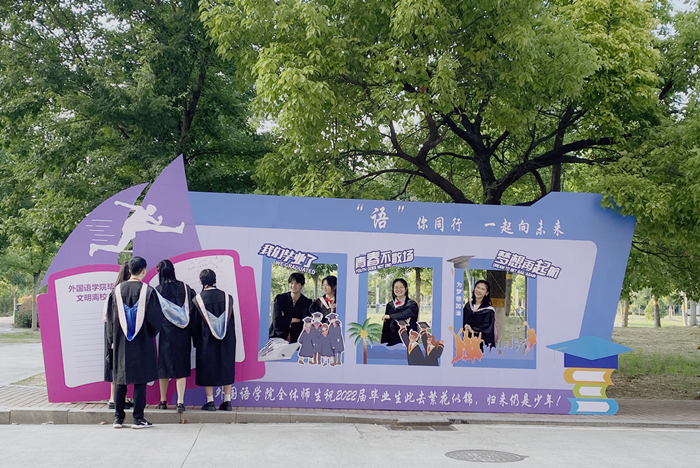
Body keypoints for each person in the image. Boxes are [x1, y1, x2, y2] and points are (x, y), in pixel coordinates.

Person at [105, 256, 162, 429]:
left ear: (129, 270)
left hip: (120, 343)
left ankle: (118, 418)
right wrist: (150, 333)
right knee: (140, 381)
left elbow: (110, 320)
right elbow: (155, 321)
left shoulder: (115, 291)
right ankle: (138, 418)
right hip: (142, 342)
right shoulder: (148, 291)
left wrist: (111, 341)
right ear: (144, 270)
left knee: (120, 380)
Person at [154, 259, 196, 413]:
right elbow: (193, 309)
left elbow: (154, 313)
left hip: (166, 332)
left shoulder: (157, 290)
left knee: (164, 366)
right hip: (183, 333)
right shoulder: (185, 288)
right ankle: (180, 402)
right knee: (181, 366)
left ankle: (163, 401)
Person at [192, 269, 236, 411]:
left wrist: (196, 342)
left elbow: (194, 324)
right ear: (215, 280)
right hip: (227, 338)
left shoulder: (198, 300)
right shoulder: (227, 298)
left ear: (202, 281)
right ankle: (227, 401)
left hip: (206, 339)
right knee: (226, 364)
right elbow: (232, 321)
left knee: (207, 366)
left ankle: (210, 402)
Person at [103, 261, 132, 410]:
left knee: (115, 364)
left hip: (111, 332)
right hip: (118, 333)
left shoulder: (114, 291)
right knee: (119, 364)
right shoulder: (122, 291)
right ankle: (116, 398)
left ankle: (115, 398)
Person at [268, 272, 312, 343]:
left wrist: (285, 319)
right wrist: (294, 320)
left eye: (297, 283)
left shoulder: (307, 302)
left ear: (302, 285)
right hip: (277, 337)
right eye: (291, 283)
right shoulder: (280, 299)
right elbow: (277, 322)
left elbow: (304, 323)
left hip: (296, 338)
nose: (293, 286)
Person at [380, 278, 419, 346]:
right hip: (392, 340)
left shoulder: (412, 304)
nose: (398, 289)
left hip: (407, 339)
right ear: (393, 289)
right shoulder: (390, 305)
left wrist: (390, 316)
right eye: (396, 287)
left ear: (406, 289)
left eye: (401, 287)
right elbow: (386, 326)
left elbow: (405, 314)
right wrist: (384, 343)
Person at [463, 280, 497, 349]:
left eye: (482, 289)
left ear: (486, 293)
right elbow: (462, 321)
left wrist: (473, 330)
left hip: (481, 346)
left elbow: (488, 331)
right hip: (466, 343)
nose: (479, 290)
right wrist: (465, 326)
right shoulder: (468, 306)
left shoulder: (488, 311)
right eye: (477, 287)